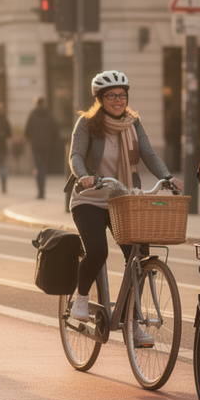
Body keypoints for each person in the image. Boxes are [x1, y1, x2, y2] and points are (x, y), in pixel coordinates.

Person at [67, 71, 181, 344]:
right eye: (111, 96)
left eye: (122, 95)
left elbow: (148, 153)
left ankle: (132, 321)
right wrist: (84, 176)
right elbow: (75, 155)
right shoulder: (87, 124)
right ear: (100, 99)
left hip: (123, 199)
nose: (118, 100)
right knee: (97, 250)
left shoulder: (133, 123)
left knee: (138, 258)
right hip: (90, 199)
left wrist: (166, 177)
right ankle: (81, 298)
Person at [24, 96, 58, 199]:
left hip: (35, 145)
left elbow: (27, 131)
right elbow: (55, 130)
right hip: (47, 145)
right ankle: (43, 190)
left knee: (38, 168)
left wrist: (31, 139)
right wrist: (52, 140)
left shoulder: (32, 115)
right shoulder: (49, 115)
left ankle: (40, 191)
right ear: (44, 103)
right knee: (43, 167)